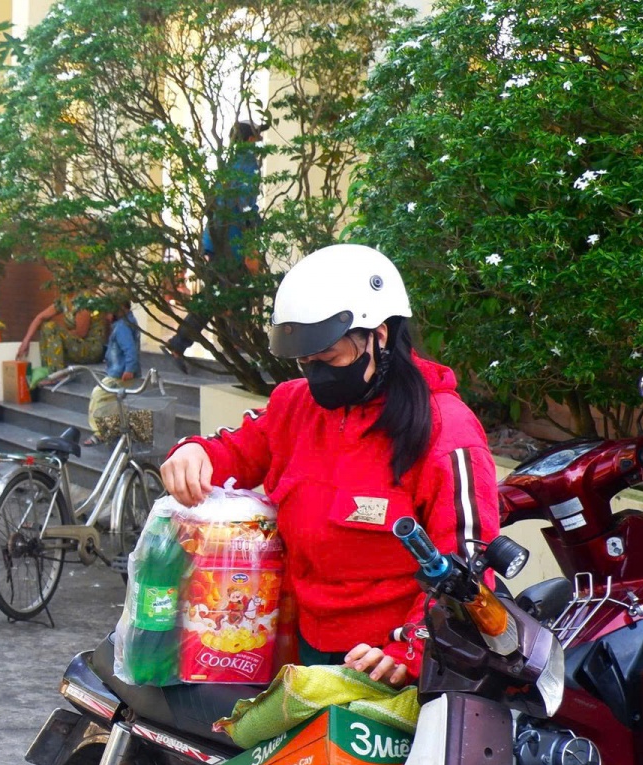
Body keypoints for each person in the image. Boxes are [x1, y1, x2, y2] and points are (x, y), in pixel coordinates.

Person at [161, 243, 497, 687]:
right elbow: (236, 451)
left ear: (378, 334)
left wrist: (411, 647)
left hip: (388, 664)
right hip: (300, 644)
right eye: (305, 363)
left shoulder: (446, 432)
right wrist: (193, 452)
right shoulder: (294, 406)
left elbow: (470, 562)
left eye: (330, 360)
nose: (316, 375)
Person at [164, 121, 264, 371]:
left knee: (217, 296)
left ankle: (187, 342)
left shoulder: (226, 166)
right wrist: (251, 244)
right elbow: (245, 206)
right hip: (233, 242)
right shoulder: (247, 163)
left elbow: (215, 208)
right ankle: (240, 348)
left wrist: (206, 246)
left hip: (217, 240)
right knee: (234, 292)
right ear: (250, 139)